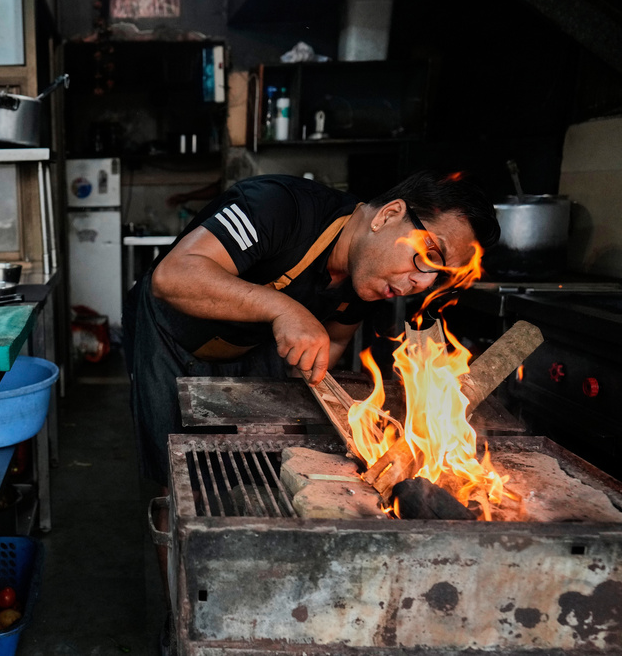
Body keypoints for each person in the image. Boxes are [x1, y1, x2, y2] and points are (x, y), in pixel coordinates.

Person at [123, 171, 499, 649]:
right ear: (389, 214)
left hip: (252, 344)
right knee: (178, 483)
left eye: (437, 276)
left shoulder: (365, 282)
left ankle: (245, 613)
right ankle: (182, 627)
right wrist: (285, 310)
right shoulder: (278, 207)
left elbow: (336, 338)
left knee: (246, 471)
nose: (418, 282)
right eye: (427, 258)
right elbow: (174, 276)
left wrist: (320, 398)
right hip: (172, 336)